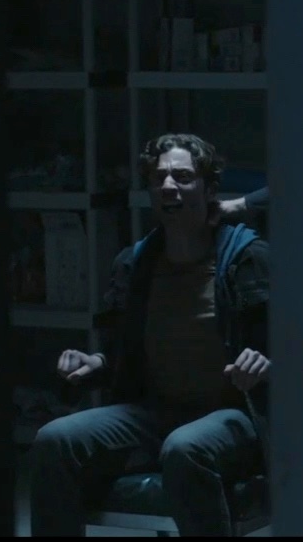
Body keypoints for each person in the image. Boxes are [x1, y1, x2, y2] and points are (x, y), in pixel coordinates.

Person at [30, 133, 271, 537]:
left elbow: (300, 353)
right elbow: (123, 356)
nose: (168, 186)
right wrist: (94, 364)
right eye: (159, 178)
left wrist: (266, 363)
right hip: (154, 413)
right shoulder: (135, 264)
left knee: (184, 447)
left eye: (183, 177)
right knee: (54, 439)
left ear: (210, 190)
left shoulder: (248, 260)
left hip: (234, 415)